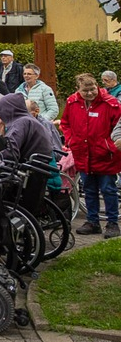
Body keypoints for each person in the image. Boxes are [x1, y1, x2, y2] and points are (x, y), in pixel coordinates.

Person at [61, 74, 121, 238]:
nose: (89, 93)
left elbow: (118, 125)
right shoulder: (72, 102)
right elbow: (65, 123)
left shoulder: (111, 103)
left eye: (92, 89)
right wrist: (71, 139)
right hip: (82, 153)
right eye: (85, 90)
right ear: (78, 89)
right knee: (88, 189)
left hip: (105, 155)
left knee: (108, 190)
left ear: (97, 86)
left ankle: (112, 222)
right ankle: (92, 221)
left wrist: (110, 144)